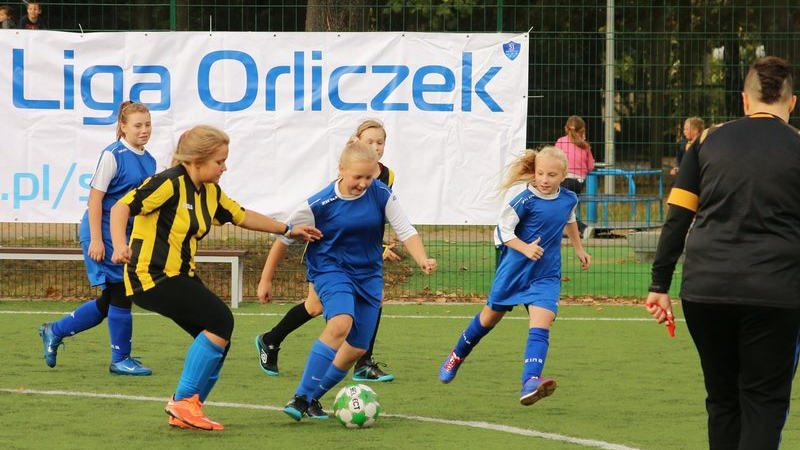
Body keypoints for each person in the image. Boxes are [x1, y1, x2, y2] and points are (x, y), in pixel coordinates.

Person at [109, 125, 321, 430]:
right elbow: (121, 207)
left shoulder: (209, 192)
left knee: (219, 338)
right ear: (197, 159)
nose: (225, 167)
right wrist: (118, 244)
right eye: (219, 161)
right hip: (150, 276)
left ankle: (188, 409)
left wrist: (287, 230)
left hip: (179, 275)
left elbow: (242, 215)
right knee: (221, 320)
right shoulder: (168, 183)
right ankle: (183, 403)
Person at [645, 56, 800, 450]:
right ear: (792, 102)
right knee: (764, 403)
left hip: (705, 291)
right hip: (776, 292)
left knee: (722, 400)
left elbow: (678, 218)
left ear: (744, 100)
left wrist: (659, 283)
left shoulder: (707, 140)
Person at [272, 139, 436, 421]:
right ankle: (300, 397)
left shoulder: (381, 193)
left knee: (356, 349)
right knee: (340, 322)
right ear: (341, 170)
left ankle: (312, 398)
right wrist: (265, 280)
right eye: (357, 176)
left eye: (369, 177)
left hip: (369, 275)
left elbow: (405, 229)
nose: (363, 183)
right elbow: (283, 237)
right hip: (330, 269)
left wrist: (422, 258)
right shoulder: (319, 204)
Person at [439, 146, 591, 406]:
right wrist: (526, 247)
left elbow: (570, 220)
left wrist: (579, 248)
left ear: (564, 175)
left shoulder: (568, 199)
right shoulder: (524, 200)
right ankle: (457, 354)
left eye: (552, 175)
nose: (544, 179)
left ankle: (530, 381)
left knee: (542, 324)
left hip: (546, 274)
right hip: (514, 271)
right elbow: (504, 231)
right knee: (488, 319)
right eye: (540, 173)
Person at [255, 119, 401, 382]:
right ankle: (272, 340)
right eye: (370, 142)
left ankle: (361, 361)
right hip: (328, 252)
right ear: (356, 143)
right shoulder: (347, 177)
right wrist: (266, 279)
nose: (376, 147)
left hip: (357, 255)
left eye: (380, 142)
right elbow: (342, 220)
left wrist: (378, 246)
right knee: (316, 307)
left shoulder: (385, 176)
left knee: (361, 301)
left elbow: (369, 219)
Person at [39, 101, 157, 375]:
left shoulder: (148, 158)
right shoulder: (112, 154)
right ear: (123, 127)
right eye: (137, 125)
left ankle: (54, 331)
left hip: (122, 236)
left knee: (110, 301)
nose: (144, 130)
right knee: (121, 293)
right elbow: (95, 200)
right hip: (101, 231)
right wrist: (96, 240)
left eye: (147, 124)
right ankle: (120, 360)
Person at [554, 116, 594, 235]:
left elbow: (554, 158)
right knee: (566, 208)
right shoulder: (584, 145)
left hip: (564, 180)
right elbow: (590, 166)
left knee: (560, 207)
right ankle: (574, 230)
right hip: (578, 182)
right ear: (582, 130)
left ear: (566, 128)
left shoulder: (561, 141)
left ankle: (582, 228)